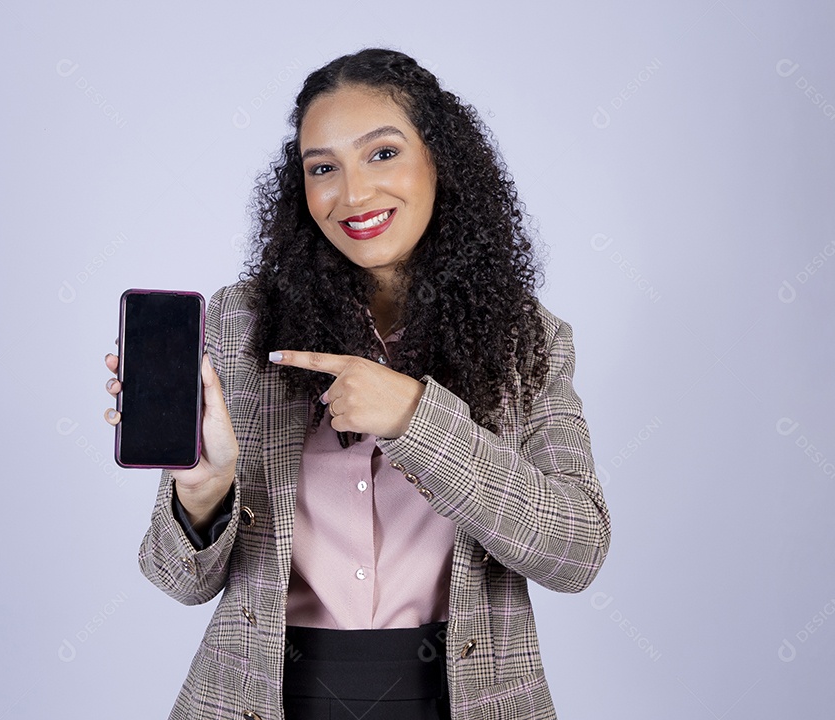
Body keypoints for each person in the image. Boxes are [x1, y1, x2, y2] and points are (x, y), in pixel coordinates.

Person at [104, 48, 611, 720]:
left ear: (441, 161)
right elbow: (177, 578)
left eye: (382, 154)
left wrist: (418, 422)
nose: (354, 195)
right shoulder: (240, 325)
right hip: (269, 699)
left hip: (458, 698)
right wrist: (203, 490)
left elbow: (575, 553)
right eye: (323, 168)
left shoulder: (530, 341)